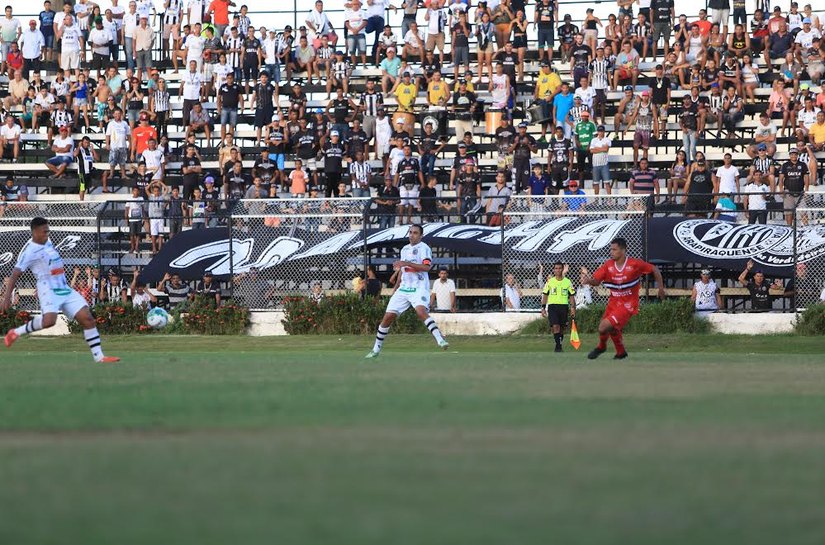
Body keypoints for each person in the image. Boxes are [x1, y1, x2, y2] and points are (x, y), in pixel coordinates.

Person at [2, 218, 119, 363]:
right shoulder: (30, 251)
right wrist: (7, 298)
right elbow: (14, 275)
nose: (47, 233)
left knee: (87, 319)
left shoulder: (48, 242)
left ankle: (99, 357)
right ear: (35, 232)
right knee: (49, 321)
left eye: (47, 230)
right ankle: (15, 332)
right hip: (48, 289)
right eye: (44, 231)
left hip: (63, 288)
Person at [366, 223, 449, 358]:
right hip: (404, 288)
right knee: (387, 317)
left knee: (421, 312)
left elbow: (427, 267)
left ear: (421, 236)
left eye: (415, 232)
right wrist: (396, 287)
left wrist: (407, 263)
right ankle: (375, 350)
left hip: (419, 287)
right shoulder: (404, 249)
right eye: (410, 232)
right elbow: (402, 271)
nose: (412, 235)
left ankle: (440, 340)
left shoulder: (424, 248)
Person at [581, 237, 665, 359]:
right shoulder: (608, 265)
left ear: (623, 250)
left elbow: (654, 269)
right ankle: (621, 352)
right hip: (613, 303)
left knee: (603, 326)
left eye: (614, 249)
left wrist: (660, 288)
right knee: (608, 328)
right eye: (611, 249)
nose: (611, 252)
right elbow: (596, 281)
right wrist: (589, 280)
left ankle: (601, 347)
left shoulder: (634, 264)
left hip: (628, 304)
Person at [540, 261, 576, 352]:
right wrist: (543, 307)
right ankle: (558, 346)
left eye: (560, 268)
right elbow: (545, 294)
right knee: (555, 326)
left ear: (563, 269)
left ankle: (559, 343)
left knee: (562, 328)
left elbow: (571, 296)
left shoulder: (567, 282)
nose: (558, 270)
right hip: (552, 306)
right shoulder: (550, 282)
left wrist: (572, 308)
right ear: (553, 270)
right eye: (556, 268)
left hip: (563, 306)